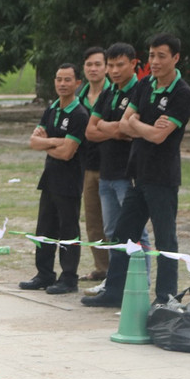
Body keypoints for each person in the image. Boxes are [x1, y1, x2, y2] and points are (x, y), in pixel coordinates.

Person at [82, 33, 190, 308]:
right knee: (122, 234)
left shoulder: (182, 92)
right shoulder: (145, 85)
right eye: (152, 55)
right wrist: (144, 126)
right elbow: (123, 123)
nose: (154, 62)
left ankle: (164, 298)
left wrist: (140, 126)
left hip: (162, 177)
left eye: (161, 56)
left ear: (176, 58)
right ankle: (115, 291)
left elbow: (158, 137)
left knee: (165, 239)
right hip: (137, 174)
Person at [84, 42, 152, 296]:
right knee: (112, 231)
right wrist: (112, 129)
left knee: (136, 232)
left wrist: (108, 127)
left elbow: (130, 129)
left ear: (134, 63)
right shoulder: (109, 92)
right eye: (110, 65)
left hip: (128, 174)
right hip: (106, 173)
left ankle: (141, 285)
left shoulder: (140, 89)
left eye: (119, 65)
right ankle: (115, 282)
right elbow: (91, 130)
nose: (113, 70)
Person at [18, 63, 89, 295]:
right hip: (50, 177)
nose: (62, 84)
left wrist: (48, 143)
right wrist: (56, 141)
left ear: (78, 83)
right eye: (58, 79)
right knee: (44, 228)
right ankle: (45, 273)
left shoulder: (79, 114)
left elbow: (68, 153)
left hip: (69, 180)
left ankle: (69, 277)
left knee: (68, 229)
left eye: (68, 79)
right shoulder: (51, 109)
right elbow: (33, 142)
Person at [76, 46, 110, 285]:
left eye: (98, 64)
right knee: (93, 221)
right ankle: (101, 267)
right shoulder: (79, 98)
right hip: (87, 166)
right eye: (89, 64)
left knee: (113, 222)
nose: (93, 68)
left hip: (113, 167)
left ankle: (118, 271)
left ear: (106, 67)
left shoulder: (114, 94)